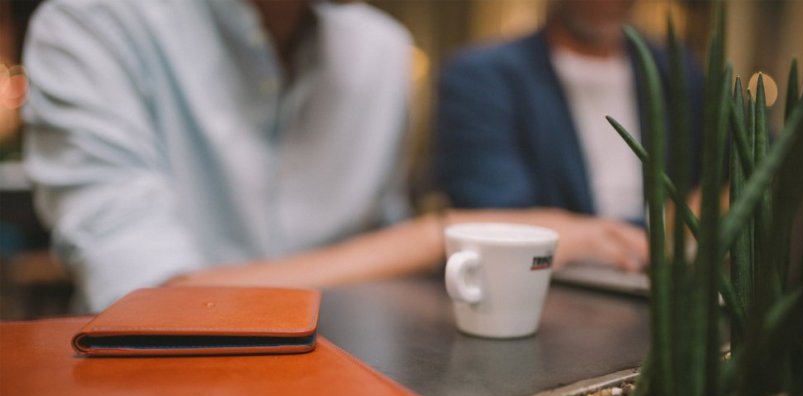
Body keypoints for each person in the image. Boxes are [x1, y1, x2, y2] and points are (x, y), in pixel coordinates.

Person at [24, 0, 650, 313]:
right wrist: (442, 236)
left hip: (350, 381)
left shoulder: (381, 50)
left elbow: (375, 258)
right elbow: (150, 302)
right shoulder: (92, 24)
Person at [435, 0, 704, 240]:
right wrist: (664, 229)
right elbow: (502, 218)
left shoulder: (680, 75)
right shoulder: (483, 78)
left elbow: (717, 185)